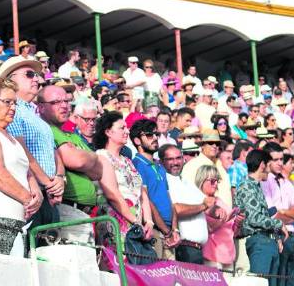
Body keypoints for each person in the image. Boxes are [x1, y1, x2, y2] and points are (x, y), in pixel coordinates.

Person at [0, 77, 42, 255]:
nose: (12, 108)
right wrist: (28, 200)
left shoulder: (10, 135)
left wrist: (37, 193)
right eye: (7, 102)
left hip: (18, 219)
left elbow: (26, 171)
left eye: (15, 103)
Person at [2, 56, 66, 235]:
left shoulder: (35, 115)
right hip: (30, 194)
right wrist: (49, 184)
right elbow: (21, 152)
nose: (37, 79)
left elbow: (54, 151)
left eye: (37, 75)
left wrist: (60, 178)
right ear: (10, 80)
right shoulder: (11, 110)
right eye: (29, 74)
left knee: (49, 254)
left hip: (48, 194)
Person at [39, 85, 103, 244]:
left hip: (83, 214)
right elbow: (77, 160)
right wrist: (90, 158)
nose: (64, 106)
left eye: (66, 101)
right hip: (66, 209)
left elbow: (98, 171)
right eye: (56, 102)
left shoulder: (70, 135)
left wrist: (89, 158)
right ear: (41, 107)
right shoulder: (46, 129)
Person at [94, 111, 155, 253]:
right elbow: (112, 195)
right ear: (108, 132)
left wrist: (149, 222)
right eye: (122, 128)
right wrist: (135, 222)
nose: (127, 131)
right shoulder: (102, 156)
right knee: (120, 269)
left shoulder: (127, 160)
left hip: (137, 225)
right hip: (116, 224)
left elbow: (142, 193)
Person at [234, 149, 286, 286]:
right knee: (259, 283)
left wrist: (276, 237)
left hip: (267, 243)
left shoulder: (255, 187)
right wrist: (279, 223)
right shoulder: (247, 186)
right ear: (262, 165)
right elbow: (255, 219)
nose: (269, 171)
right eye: (269, 165)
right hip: (258, 243)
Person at [261, 143, 294, 286]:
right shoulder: (264, 181)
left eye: (282, 159)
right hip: (277, 235)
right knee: (278, 282)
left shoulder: (285, 181)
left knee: (293, 283)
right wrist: (293, 215)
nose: (280, 163)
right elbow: (272, 214)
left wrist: (284, 211)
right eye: (276, 160)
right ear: (267, 161)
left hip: (293, 238)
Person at [132, 121, 180, 259]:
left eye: (156, 134)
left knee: (171, 279)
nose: (154, 138)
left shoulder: (159, 166)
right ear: (137, 140)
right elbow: (147, 201)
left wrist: (174, 229)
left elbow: (170, 199)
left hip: (169, 232)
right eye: (149, 135)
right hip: (155, 231)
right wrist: (166, 232)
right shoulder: (137, 164)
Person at [199, 165, 240, 269]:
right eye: (212, 181)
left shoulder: (220, 201)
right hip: (212, 255)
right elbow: (208, 229)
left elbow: (232, 230)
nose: (215, 184)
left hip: (228, 255)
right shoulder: (198, 201)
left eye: (217, 181)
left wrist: (239, 222)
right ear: (202, 180)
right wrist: (226, 219)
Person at [181, 129, 233, 206]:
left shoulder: (219, 164)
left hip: (226, 213)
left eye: (217, 143)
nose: (214, 146)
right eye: (211, 143)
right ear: (202, 145)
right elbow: (188, 192)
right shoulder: (192, 165)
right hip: (207, 213)